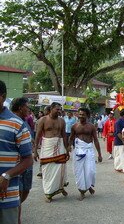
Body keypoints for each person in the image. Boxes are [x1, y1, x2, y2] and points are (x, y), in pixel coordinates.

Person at [0, 80, 33, 224]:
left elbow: (28, 159)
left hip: (6, 196)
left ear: (3, 96)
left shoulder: (17, 124)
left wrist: (7, 175)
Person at [34, 102, 70, 202]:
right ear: (51, 109)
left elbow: (64, 136)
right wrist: (35, 150)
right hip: (47, 147)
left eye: (60, 109)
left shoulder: (62, 121)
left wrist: (67, 149)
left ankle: (60, 188)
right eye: (57, 109)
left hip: (60, 146)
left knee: (60, 169)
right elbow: (37, 135)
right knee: (47, 170)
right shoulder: (43, 120)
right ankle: (49, 193)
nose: (59, 111)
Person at [69, 107, 102, 200]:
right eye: (79, 114)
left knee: (90, 171)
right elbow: (71, 138)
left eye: (83, 114)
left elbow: (96, 140)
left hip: (88, 150)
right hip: (78, 150)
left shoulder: (91, 126)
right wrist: (68, 147)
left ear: (87, 115)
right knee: (79, 172)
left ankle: (88, 186)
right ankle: (82, 191)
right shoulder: (74, 126)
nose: (81, 116)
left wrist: (99, 154)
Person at [10, 97, 34, 223]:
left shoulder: (24, 121)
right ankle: (17, 218)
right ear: (20, 108)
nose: (29, 109)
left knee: (25, 190)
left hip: (27, 163)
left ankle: (16, 213)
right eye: (27, 106)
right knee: (17, 192)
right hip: (17, 164)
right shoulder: (13, 122)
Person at [113, 109, 124, 174]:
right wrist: (123, 140)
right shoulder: (119, 122)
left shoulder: (123, 121)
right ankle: (123, 168)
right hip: (120, 141)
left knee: (119, 155)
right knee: (122, 155)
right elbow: (118, 133)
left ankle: (118, 167)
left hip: (119, 141)